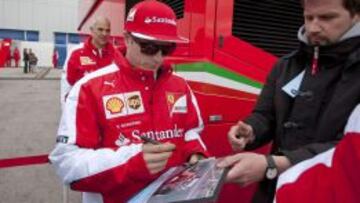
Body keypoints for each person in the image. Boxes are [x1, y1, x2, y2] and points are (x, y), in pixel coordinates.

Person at [49, 1, 208, 203]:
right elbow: (66, 162)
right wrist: (132, 161)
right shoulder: (89, 88)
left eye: (167, 48)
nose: (159, 57)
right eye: (150, 47)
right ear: (127, 39)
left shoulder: (180, 85)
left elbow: (189, 132)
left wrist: (196, 155)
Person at [217, 0, 360, 202]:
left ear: (356, 15)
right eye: (308, 17)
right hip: (273, 189)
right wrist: (251, 130)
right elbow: (265, 115)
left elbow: (352, 147)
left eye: (327, 17)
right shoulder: (286, 65)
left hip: (332, 192)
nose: (313, 27)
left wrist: (275, 163)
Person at [60, 16, 115, 109]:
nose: (104, 33)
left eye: (107, 30)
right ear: (92, 30)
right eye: (100, 29)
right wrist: (66, 110)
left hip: (108, 109)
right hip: (84, 109)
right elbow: (68, 85)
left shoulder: (116, 54)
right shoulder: (76, 53)